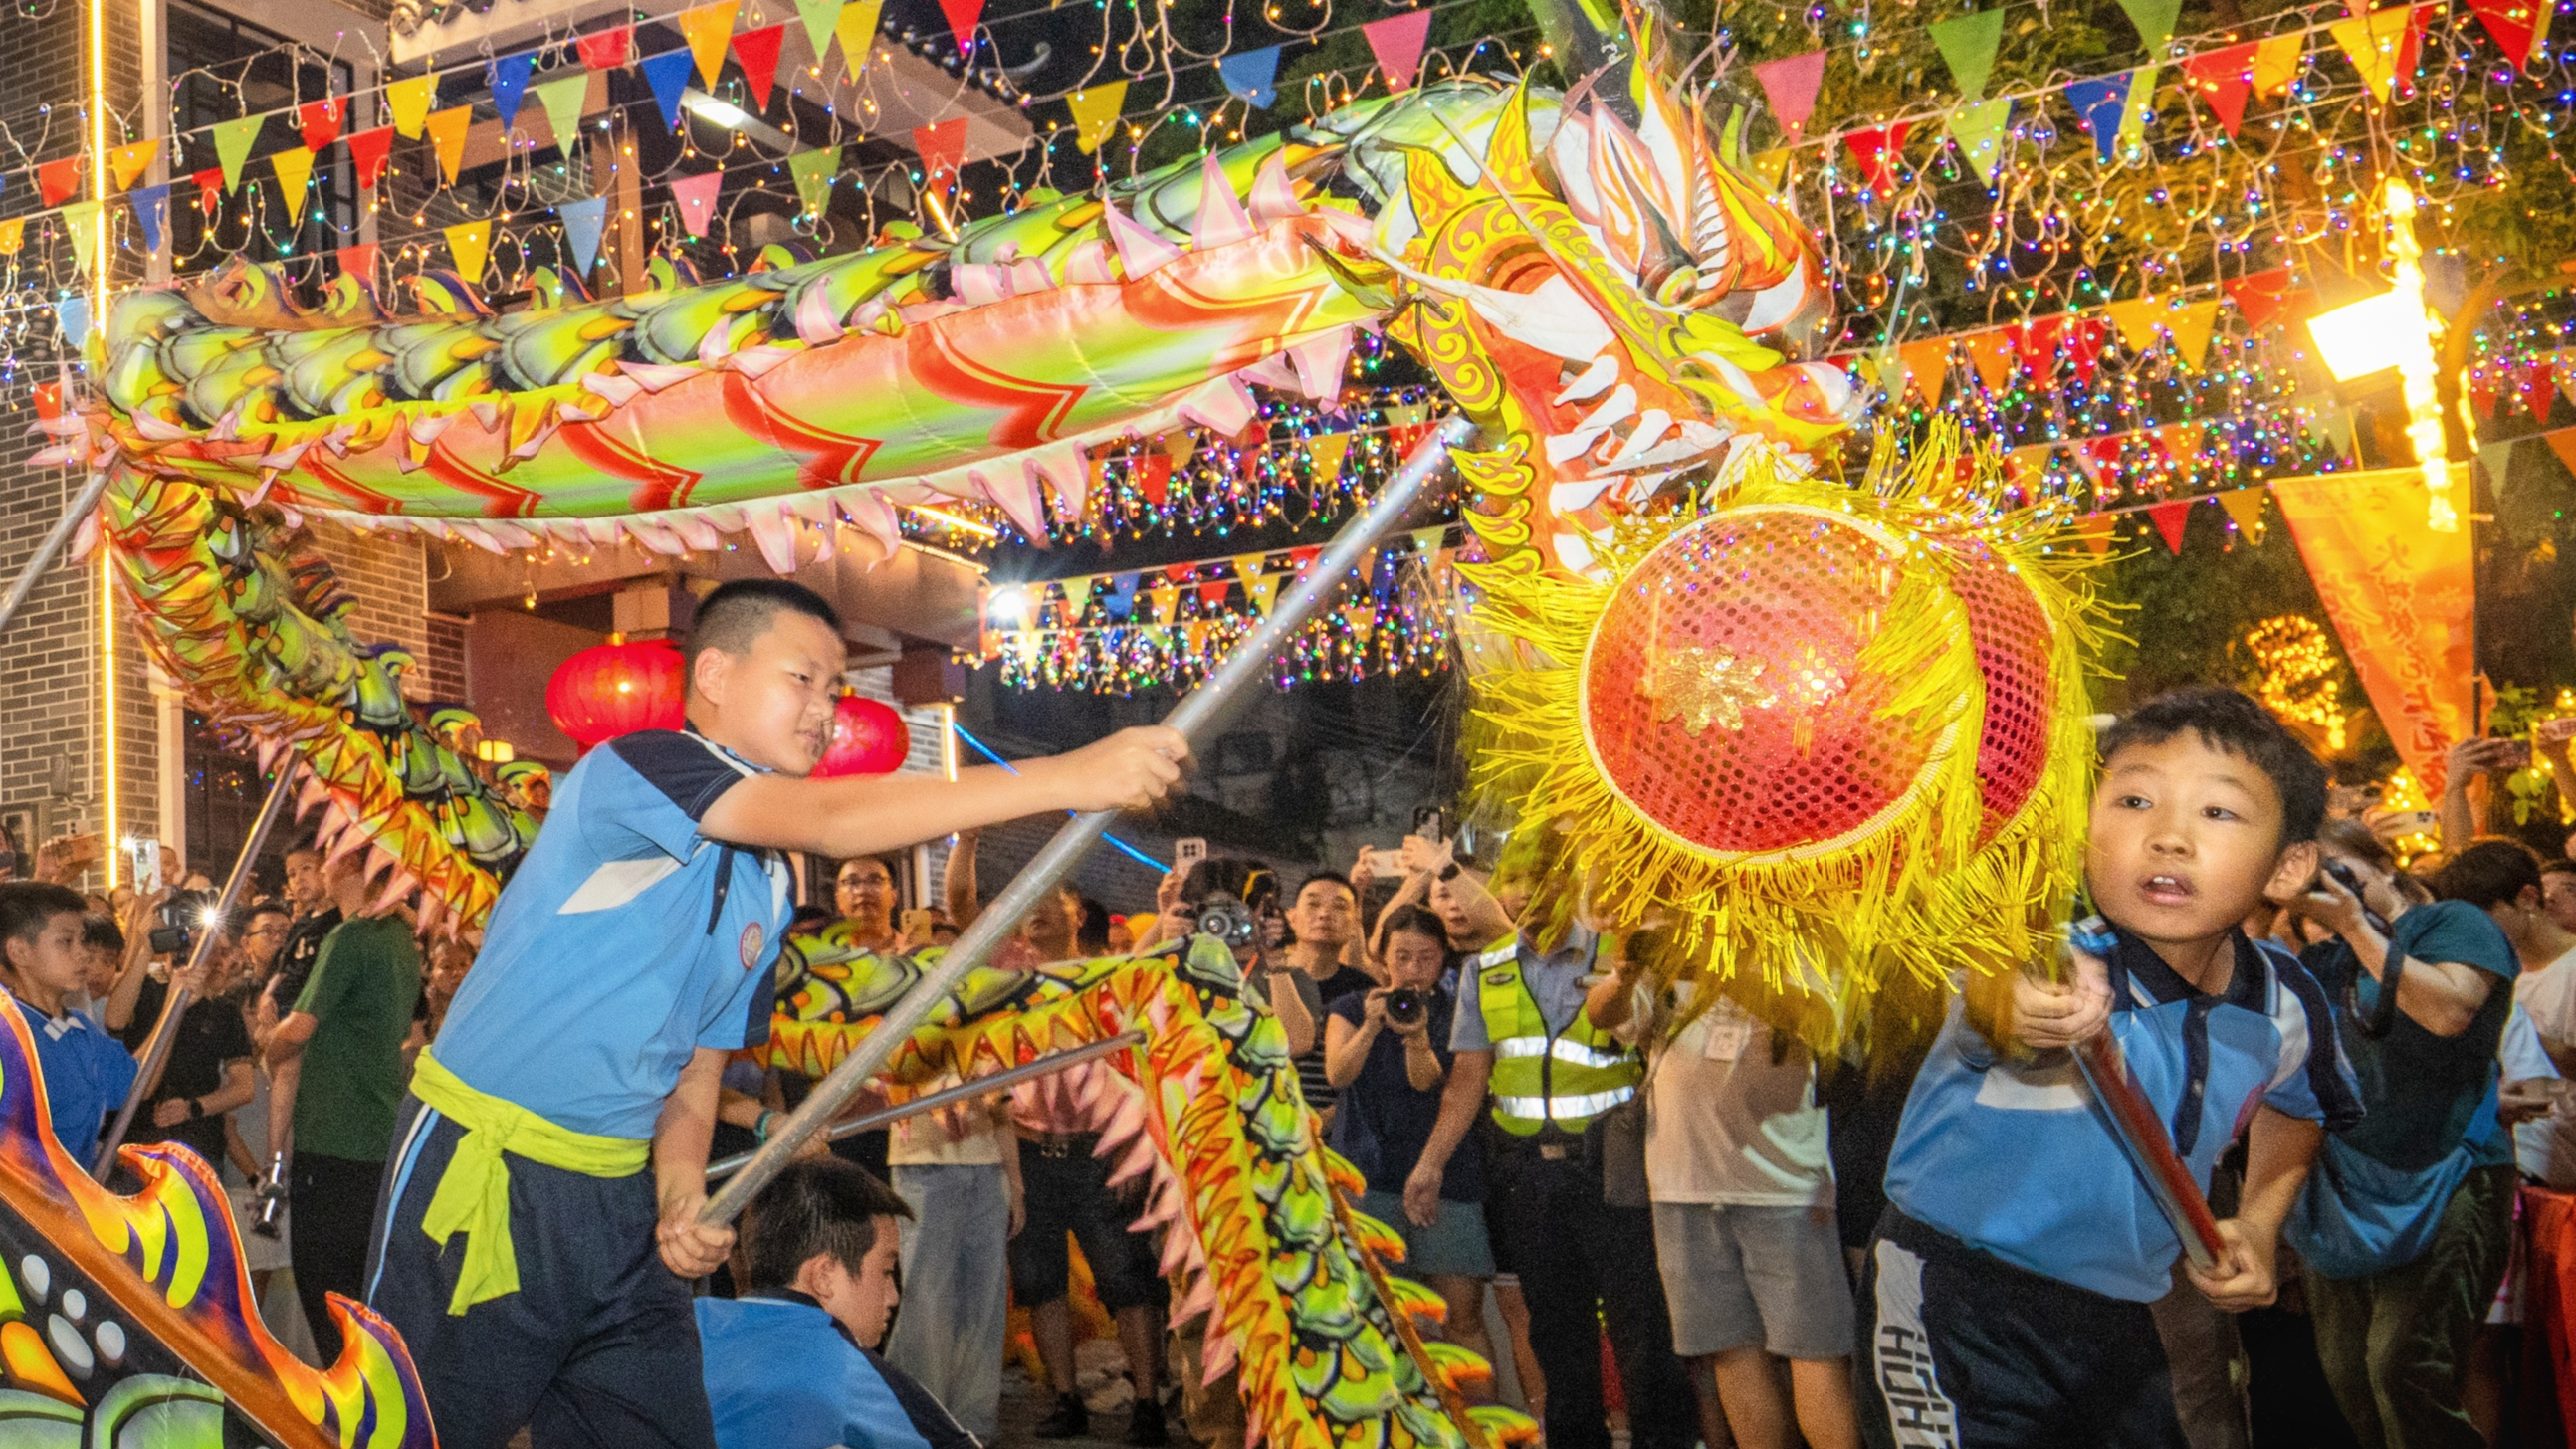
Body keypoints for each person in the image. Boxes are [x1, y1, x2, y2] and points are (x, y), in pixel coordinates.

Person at [363, 578, 1184, 1449]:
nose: (826, 709)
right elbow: (830, 818)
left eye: (837, 689)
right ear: (713, 673)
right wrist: (1069, 776)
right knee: (419, 1432)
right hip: (488, 1170)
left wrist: (680, 1184)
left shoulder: (768, 881)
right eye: (803, 679)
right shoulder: (640, 768)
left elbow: (699, 1066)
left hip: (617, 1201)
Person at [1859, 686, 2360, 1449]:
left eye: (2217, 813)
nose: (2168, 838)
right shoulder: (2048, 953)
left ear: (2290, 867)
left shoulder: (2287, 1001)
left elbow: (2298, 1107)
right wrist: (2021, 1002)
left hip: (2124, 1315)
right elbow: (2002, 989)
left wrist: (2258, 1226)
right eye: (2132, 801)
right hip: (1953, 1299)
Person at [1406, 843, 1694, 1449]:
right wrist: (1430, 1163)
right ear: (1497, 892)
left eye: (1542, 878)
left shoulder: (1616, 956)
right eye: (1512, 881)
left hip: (1614, 1172)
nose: (1525, 894)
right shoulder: (1487, 970)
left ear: (1570, 887)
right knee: (1557, 1336)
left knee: (1642, 1329)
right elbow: (1467, 1079)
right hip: (1527, 1178)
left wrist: (1631, 968)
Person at [2278, 830, 2526, 1448]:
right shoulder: (2325, 957)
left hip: (2448, 1172)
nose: (2327, 883)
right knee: (2348, 1376)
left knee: (2402, 1370)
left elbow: (2450, 1011)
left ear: (2385, 865)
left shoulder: (2453, 921)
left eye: (2340, 866)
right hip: (2343, 1181)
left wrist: (2360, 924)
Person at [1588, 949, 1859, 1449]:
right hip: (1680, 1181)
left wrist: (1721, 961)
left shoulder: (1808, 944)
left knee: (1815, 1349)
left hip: (1784, 1187)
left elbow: (1821, 1025)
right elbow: (1606, 1015)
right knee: (1729, 1349)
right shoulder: (1671, 950)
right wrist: (1626, 973)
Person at [696, 1156, 976, 1449]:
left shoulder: (692, 1322)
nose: (893, 1296)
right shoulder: (844, 1362)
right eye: (886, 1271)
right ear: (824, 1276)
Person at [266, 849, 423, 1363]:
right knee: (363, 1296)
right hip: (378, 1130)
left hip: (333, 1133)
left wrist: (270, 1043)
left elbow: (300, 1026)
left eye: (329, 859)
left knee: (327, 1292)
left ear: (353, 867)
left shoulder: (351, 937)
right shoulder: (402, 939)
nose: (322, 870)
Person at [1322, 905, 1492, 1366]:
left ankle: (1481, 1434)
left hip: (1447, 1179)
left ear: (1443, 960)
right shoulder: (1352, 1006)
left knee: (1463, 1315)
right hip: (1367, 1179)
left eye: (1426, 958)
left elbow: (1427, 1082)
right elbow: (1337, 1073)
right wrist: (1374, 1023)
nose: (1413, 970)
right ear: (1382, 958)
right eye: (1402, 957)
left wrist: (1416, 1035)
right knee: (1375, 1316)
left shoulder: (1458, 1013)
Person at [0, 882, 159, 1157]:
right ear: (19, 952)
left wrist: (176, 1002)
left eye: (82, 939)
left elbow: (137, 1083)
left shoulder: (77, 1028)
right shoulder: (9, 1038)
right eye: (66, 941)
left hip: (72, 1196)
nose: (83, 953)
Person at [127, 916, 257, 1172]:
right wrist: (143, 948)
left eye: (205, 947)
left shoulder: (224, 1012)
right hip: (139, 1145)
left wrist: (193, 1108)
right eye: (187, 944)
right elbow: (113, 1018)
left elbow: (244, 1087)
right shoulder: (145, 993)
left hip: (198, 1147)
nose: (193, 954)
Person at [1282, 872, 1374, 1120]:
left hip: (1337, 1133)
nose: (1324, 914)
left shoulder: (1363, 991)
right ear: (1291, 916)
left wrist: (1329, 1117)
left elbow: (1370, 1075)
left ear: (1355, 923)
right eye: (1313, 904)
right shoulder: (1266, 978)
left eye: (1339, 906)